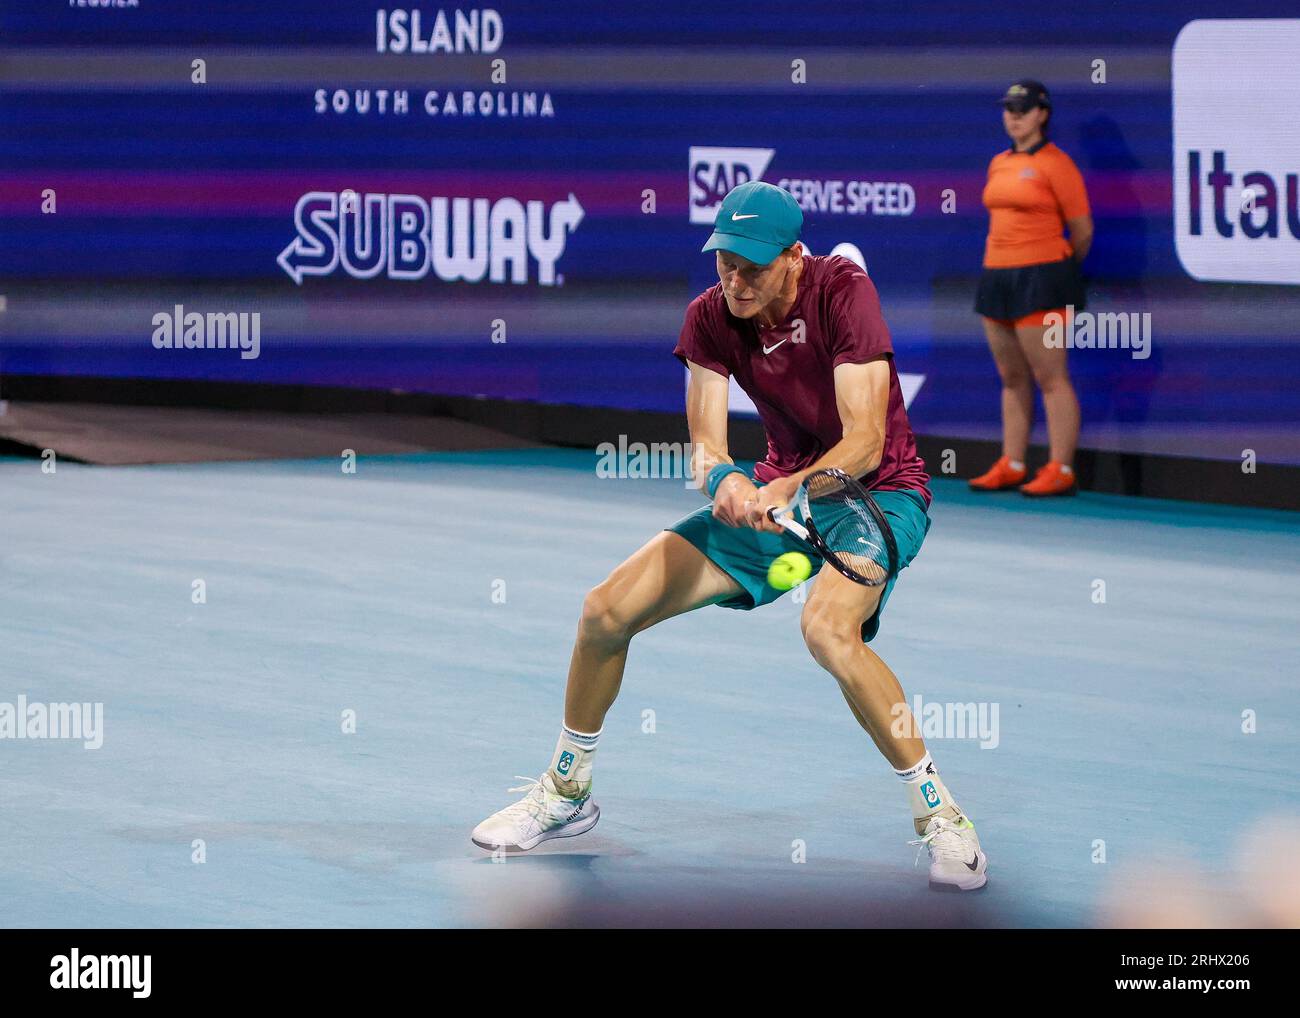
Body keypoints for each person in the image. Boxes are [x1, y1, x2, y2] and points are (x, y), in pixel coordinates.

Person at [471, 180, 988, 892]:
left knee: (827, 631)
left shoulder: (842, 292)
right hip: (779, 499)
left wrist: (789, 487)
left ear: (793, 258)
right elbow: (707, 451)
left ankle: (943, 820)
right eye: (725, 263)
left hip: (878, 497)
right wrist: (729, 486)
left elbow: (866, 440)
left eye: (752, 266)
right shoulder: (710, 317)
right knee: (604, 611)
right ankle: (567, 791)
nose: (736, 280)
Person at [970, 79, 1093, 496]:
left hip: (1042, 278)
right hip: (996, 276)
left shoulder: (1057, 164)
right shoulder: (999, 162)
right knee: (1010, 376)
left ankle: (1060, 468)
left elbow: (1082, 230)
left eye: (1023, 108)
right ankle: (1013, 462)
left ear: (1043, 113)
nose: (1014, 116)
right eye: (1009, 108)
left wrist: (1051, 265)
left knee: (1051, 377)